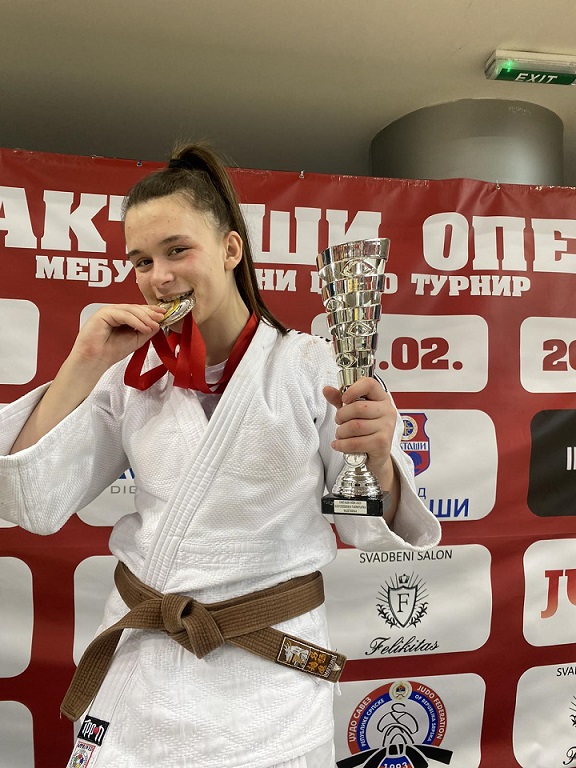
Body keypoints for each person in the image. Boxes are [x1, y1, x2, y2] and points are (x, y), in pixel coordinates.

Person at [0, 143, 441, 768]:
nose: (158, 276)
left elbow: (366, 525)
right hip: (145, 673)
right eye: (141, 261)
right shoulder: (133, 377)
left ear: (231, 249)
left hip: (267, 685)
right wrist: (85, 361)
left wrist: (378, 459)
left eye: (177, 250)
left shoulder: (311, 366)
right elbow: (32, 499)